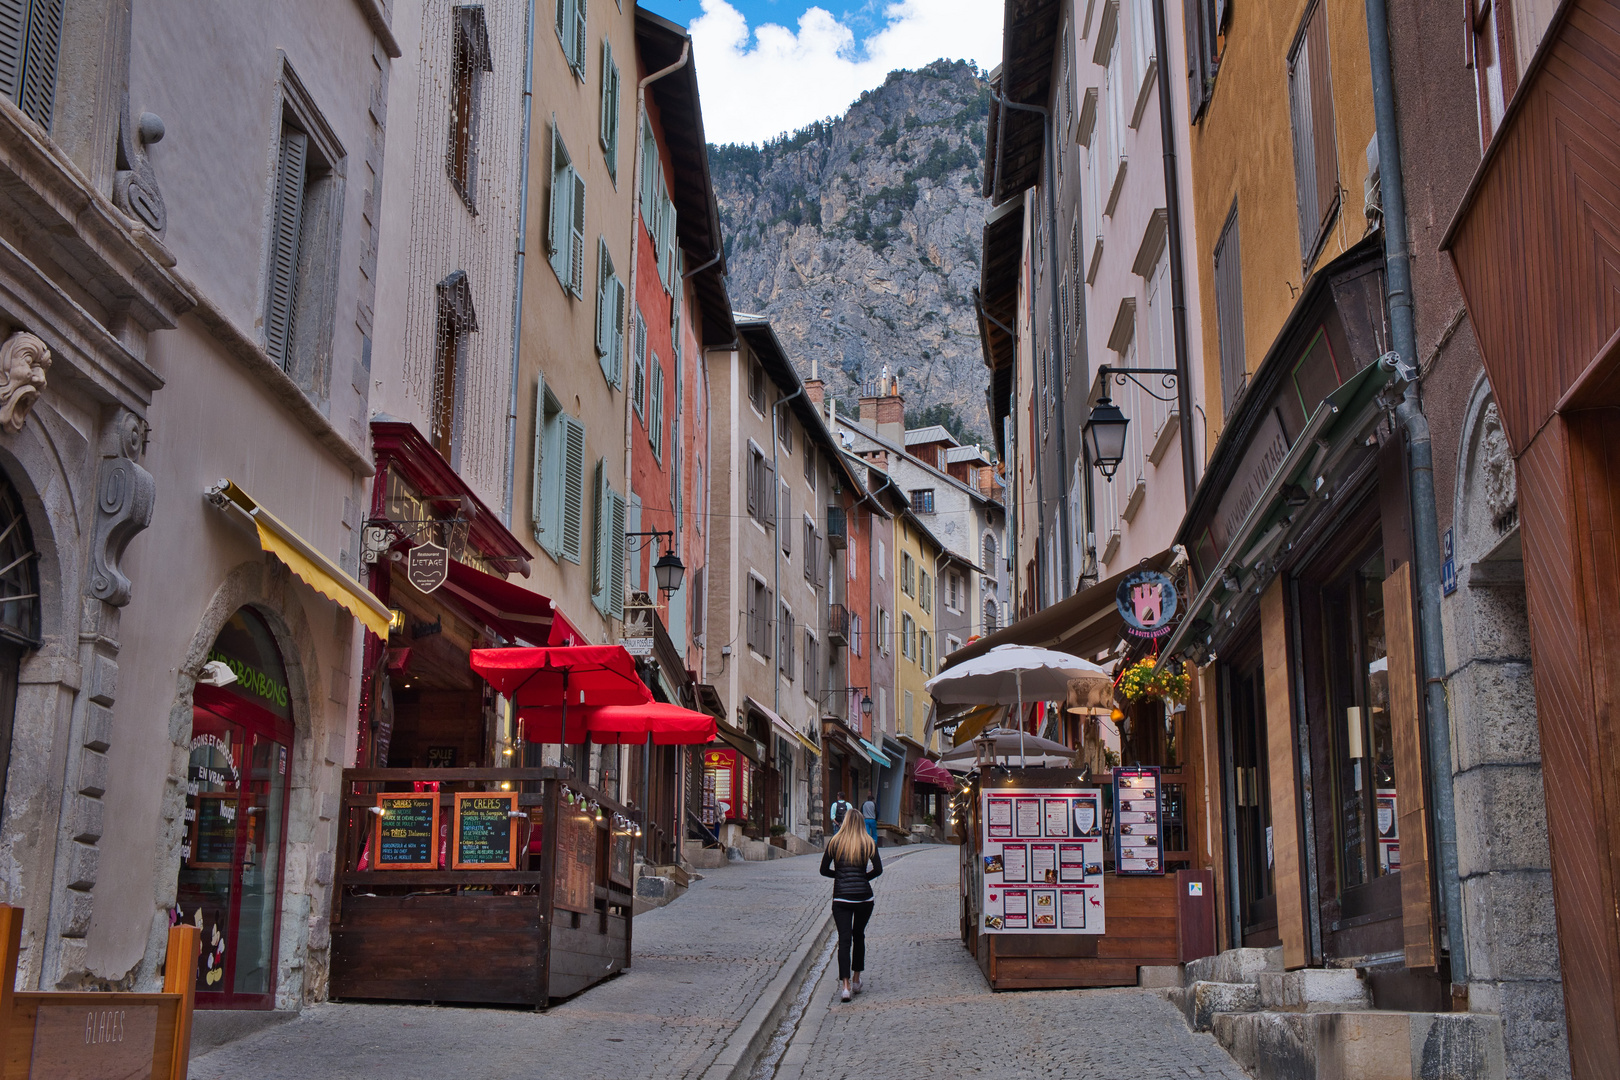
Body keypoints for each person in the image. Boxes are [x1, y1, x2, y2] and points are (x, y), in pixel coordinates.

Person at [820, 807, 882, 1002]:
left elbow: (823, 870)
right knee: (859, 936)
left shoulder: (835, 842)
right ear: (861, 823)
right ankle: (856, 979)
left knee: (844, 940)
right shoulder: (868, 842)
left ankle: (845, 986)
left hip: (842, 899)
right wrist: (863, 878)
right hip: (864, 898)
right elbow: (878, 869)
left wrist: (840, 877)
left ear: (845, 822)